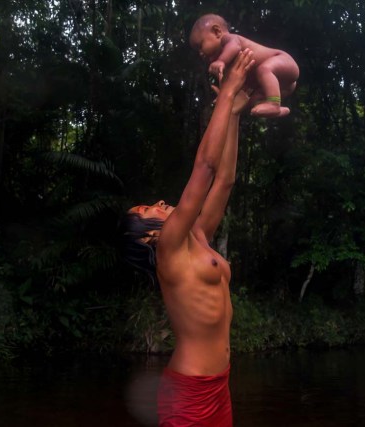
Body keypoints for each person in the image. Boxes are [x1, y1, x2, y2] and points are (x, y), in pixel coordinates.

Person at [120, 49, 255, 427]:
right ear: (146, 238)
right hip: (190, 391)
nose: (160, 203)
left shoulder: (195, 235)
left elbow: (225, 180)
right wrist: (226, 91)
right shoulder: (168, 249)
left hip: (218, 385)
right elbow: (205, 167)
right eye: (149, 210)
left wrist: (232, 114)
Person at [189, 13, 299, 118]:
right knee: (252, 100)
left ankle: (274, 104)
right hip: (281, 85)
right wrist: (224, 96)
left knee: (263, 69)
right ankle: (277, 110)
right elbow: (230, 82)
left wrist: (221, 61)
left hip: (283, 60)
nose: (200, 53)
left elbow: (234, 47)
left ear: (217, 32)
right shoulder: (228, 65)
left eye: (200, 45)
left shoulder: (229, 39)